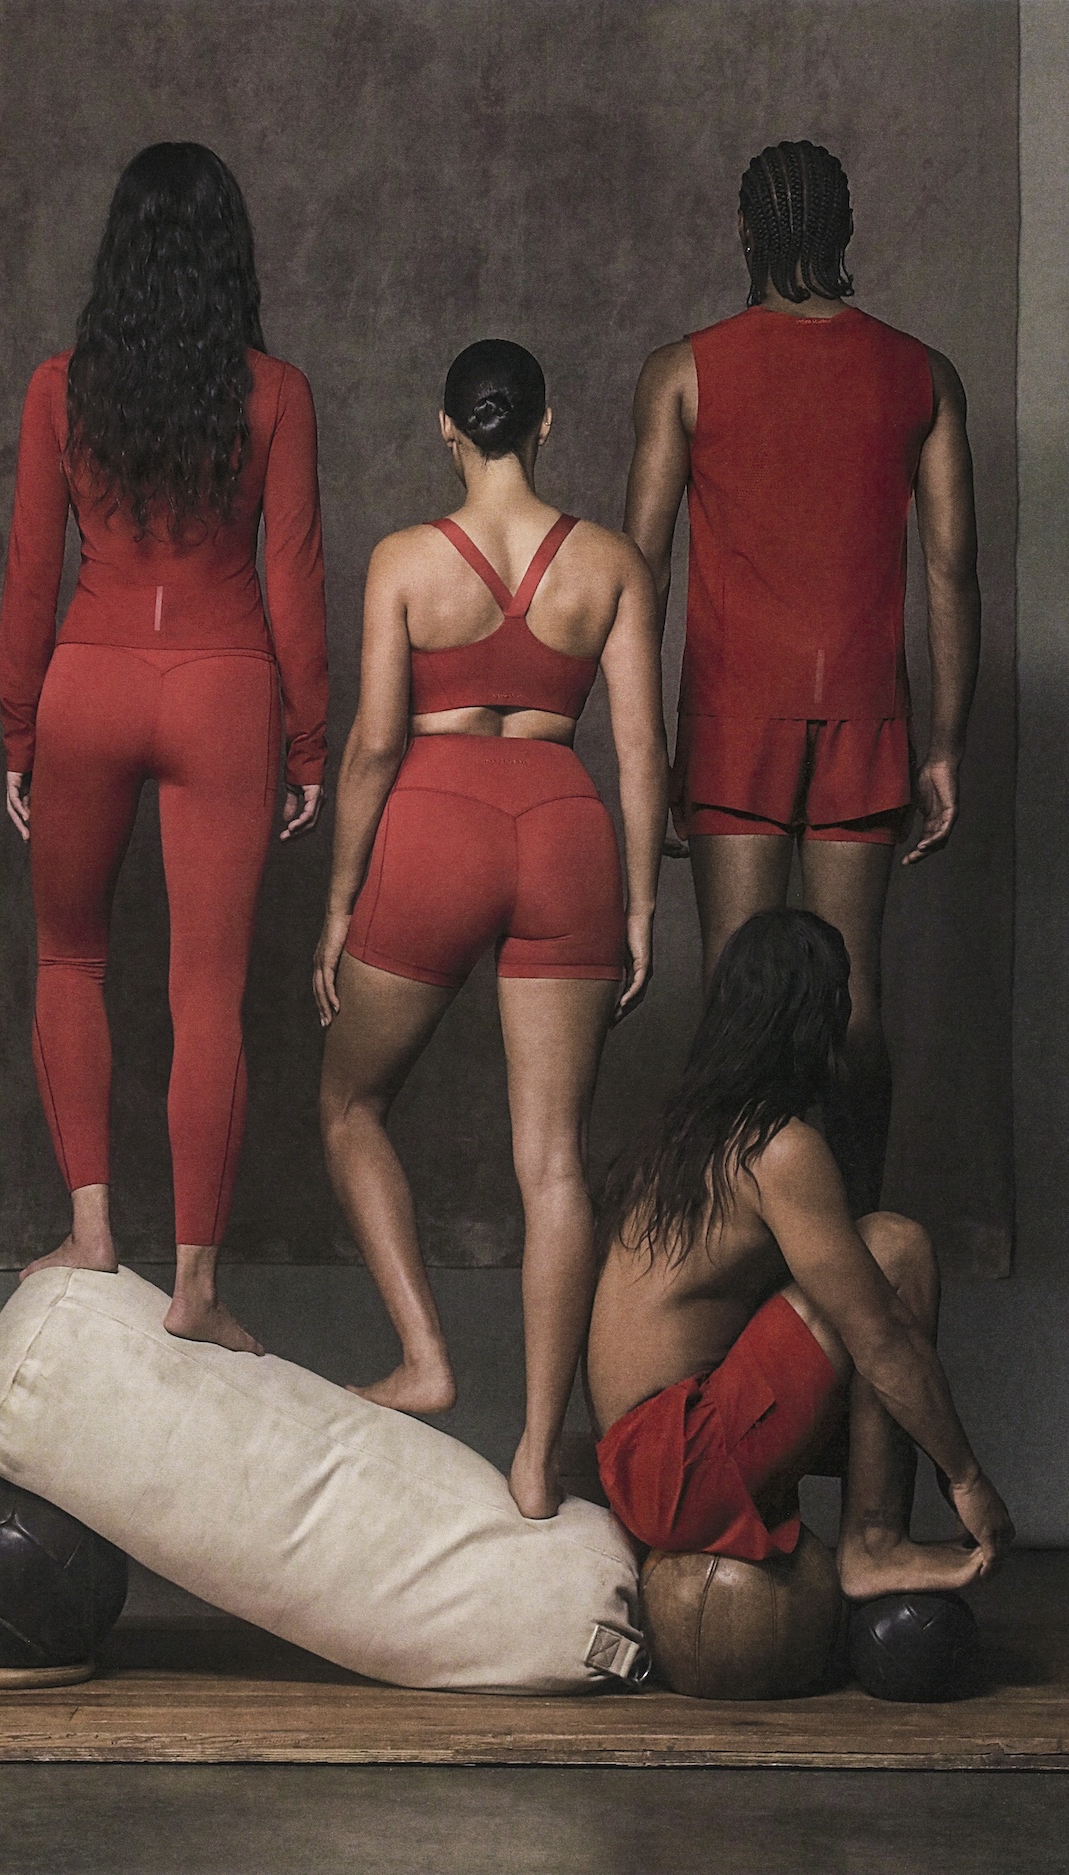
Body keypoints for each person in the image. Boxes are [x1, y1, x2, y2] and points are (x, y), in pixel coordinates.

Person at [313, 340, 667, 1519]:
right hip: (564, 827)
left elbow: (374, 744)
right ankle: (534, 1457)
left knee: (349, 1106)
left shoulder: (405, 560)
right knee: (555, 1161)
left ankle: (424, 1358)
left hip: (437, 823)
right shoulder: (610, 564)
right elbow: (639, 750)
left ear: (448, 429)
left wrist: (339, 900)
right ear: (547, 423)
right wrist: (641, 904)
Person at [0, 142, 328, 1353]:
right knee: (208, 995)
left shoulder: (60, 389)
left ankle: (91, 1229)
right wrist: (309, 744)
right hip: (225, 691)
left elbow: (31, 573)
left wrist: (19, 729)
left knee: (68, 957)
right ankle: (195, 1287)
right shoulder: (275, 393)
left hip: (86, 684)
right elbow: (294, 580)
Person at [623, 139, 982, 1214]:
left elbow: (640, 571)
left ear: (745, 232)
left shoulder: (682, 371)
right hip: (866, 713)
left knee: (735, 997)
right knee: (852, 1003)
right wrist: (945, 745)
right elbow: (952, 570)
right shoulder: (923, 373)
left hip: (731, 714)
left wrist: (649, 750)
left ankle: (727, 1243)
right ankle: (858, 1231)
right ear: (845, 233)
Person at [586, 908, 1013, 1596]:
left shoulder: (685, 1135)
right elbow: (880, 1336)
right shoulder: (777, 1149)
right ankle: (874, 1544)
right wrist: (966, 1476)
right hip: (678, 1466)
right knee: (895, 1251)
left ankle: (874, 1539)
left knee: (875, 1339)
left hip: (639, 1468)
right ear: (816, 1019)